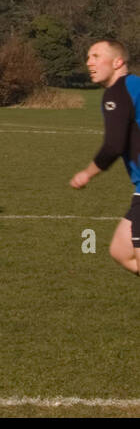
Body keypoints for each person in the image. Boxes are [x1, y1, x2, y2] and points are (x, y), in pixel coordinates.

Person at [70, 39, 140, 274]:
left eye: (97, 56)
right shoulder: (134, 86)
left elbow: (114, 145)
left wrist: (87, 173)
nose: (89, 62)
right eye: (88, 57)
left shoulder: (118, 92)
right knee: (121, 250)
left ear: (118, 61)